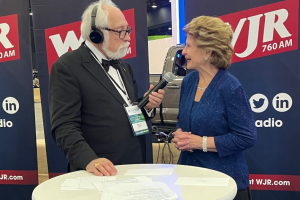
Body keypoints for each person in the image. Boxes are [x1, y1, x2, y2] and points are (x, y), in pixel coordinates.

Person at [49, 0, 164, 176]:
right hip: (99, 172)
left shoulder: (124, 67)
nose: (127, 37)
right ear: (97, 34)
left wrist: (146, 106)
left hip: (134, 165)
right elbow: (64, 126)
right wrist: (89, 160)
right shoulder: (67, 67)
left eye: (128, 30)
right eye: (121, 31)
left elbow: (129, 112)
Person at [172, 16, 256, 200]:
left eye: (188, 46)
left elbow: (246, 137)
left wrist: (199, 142)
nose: (183, 52)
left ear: (208, 51)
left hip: (223, 184)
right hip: (189, 178)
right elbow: (183, 121)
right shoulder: (189, 81)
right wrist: (179, 133)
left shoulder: (230, 87)